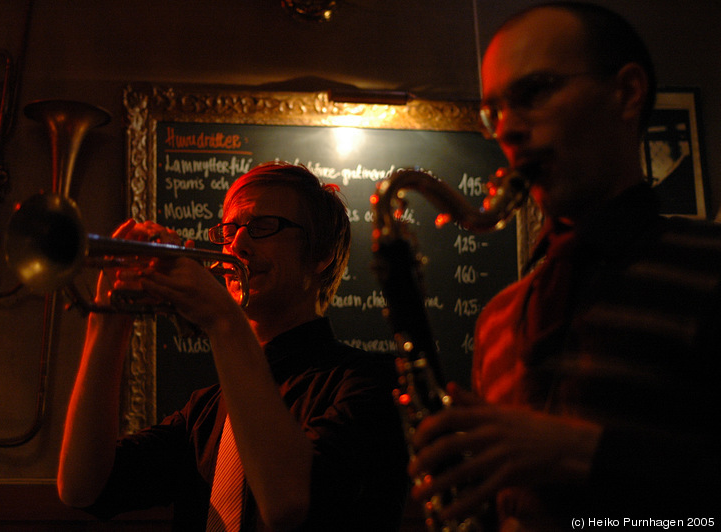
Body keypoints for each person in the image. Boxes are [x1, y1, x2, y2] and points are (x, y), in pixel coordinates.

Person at [408, 3, 720, 530]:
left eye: (534, 93)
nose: (506, 130)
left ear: (627, 93)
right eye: (494, 112)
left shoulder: (710, 265)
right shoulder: (500, 317)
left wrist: (585, 454)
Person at [57, 161, 408, 531]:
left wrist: (224, 321)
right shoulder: (206, 410)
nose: (237, 244)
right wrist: (108, 317)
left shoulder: (377, 383)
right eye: (230, 230)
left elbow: (289, 503)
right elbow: (82, 487)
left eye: (261, 227)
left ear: (321, 254)